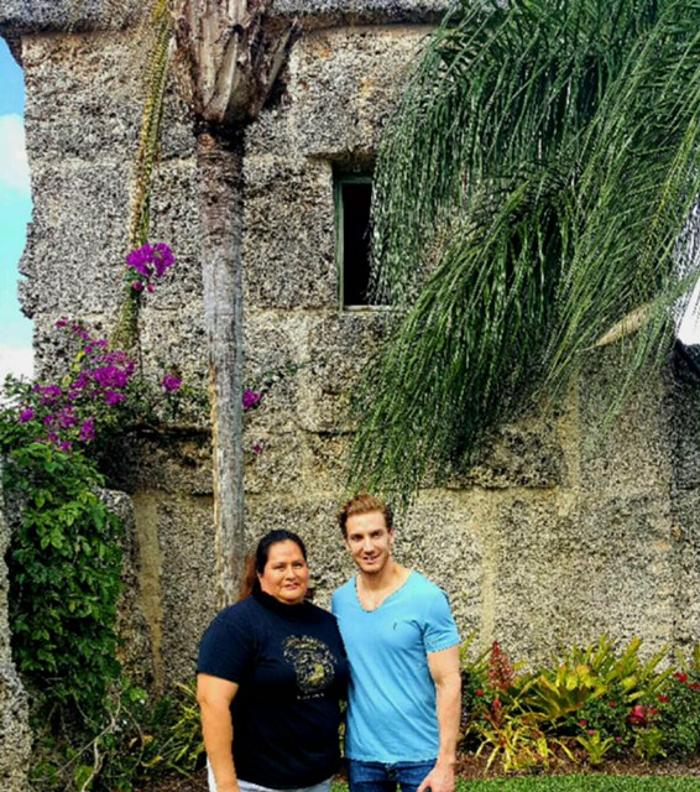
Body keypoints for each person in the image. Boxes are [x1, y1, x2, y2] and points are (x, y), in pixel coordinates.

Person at [197, 529, 348, 792]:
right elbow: (212, 702)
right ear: (260, 574)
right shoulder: (236, 625)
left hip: (316, 781)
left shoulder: (325, 623)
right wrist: (226, 783)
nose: (291, 574)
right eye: (279, 567)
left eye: (298, 565)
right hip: (255, 783)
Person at [332, 494, 461, 792]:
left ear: (391, 536)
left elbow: (448, 682)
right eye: (357, 537)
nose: (368, 546)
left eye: (376, 534)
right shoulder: (340, 601)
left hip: (422, 757)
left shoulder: (427, 598)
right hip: (362, 758)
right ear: (346, 544)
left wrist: (446, 763)